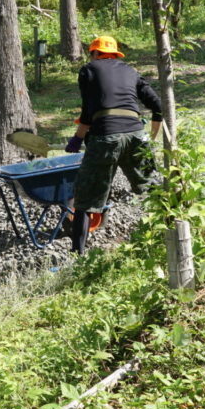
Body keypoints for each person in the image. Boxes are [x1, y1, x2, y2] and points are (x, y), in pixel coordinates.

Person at [64, 35, 162, 254]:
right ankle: (172, 236)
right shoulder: (130, 71)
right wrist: (152, 137)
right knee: (153, 187)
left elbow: (88, 112)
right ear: (116, 54)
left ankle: (78, 255)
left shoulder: (88, 70)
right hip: (136, 135)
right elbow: (157, 105)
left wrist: (78, 138)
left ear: (95, 53)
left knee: (84, 200)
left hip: (106, 137)